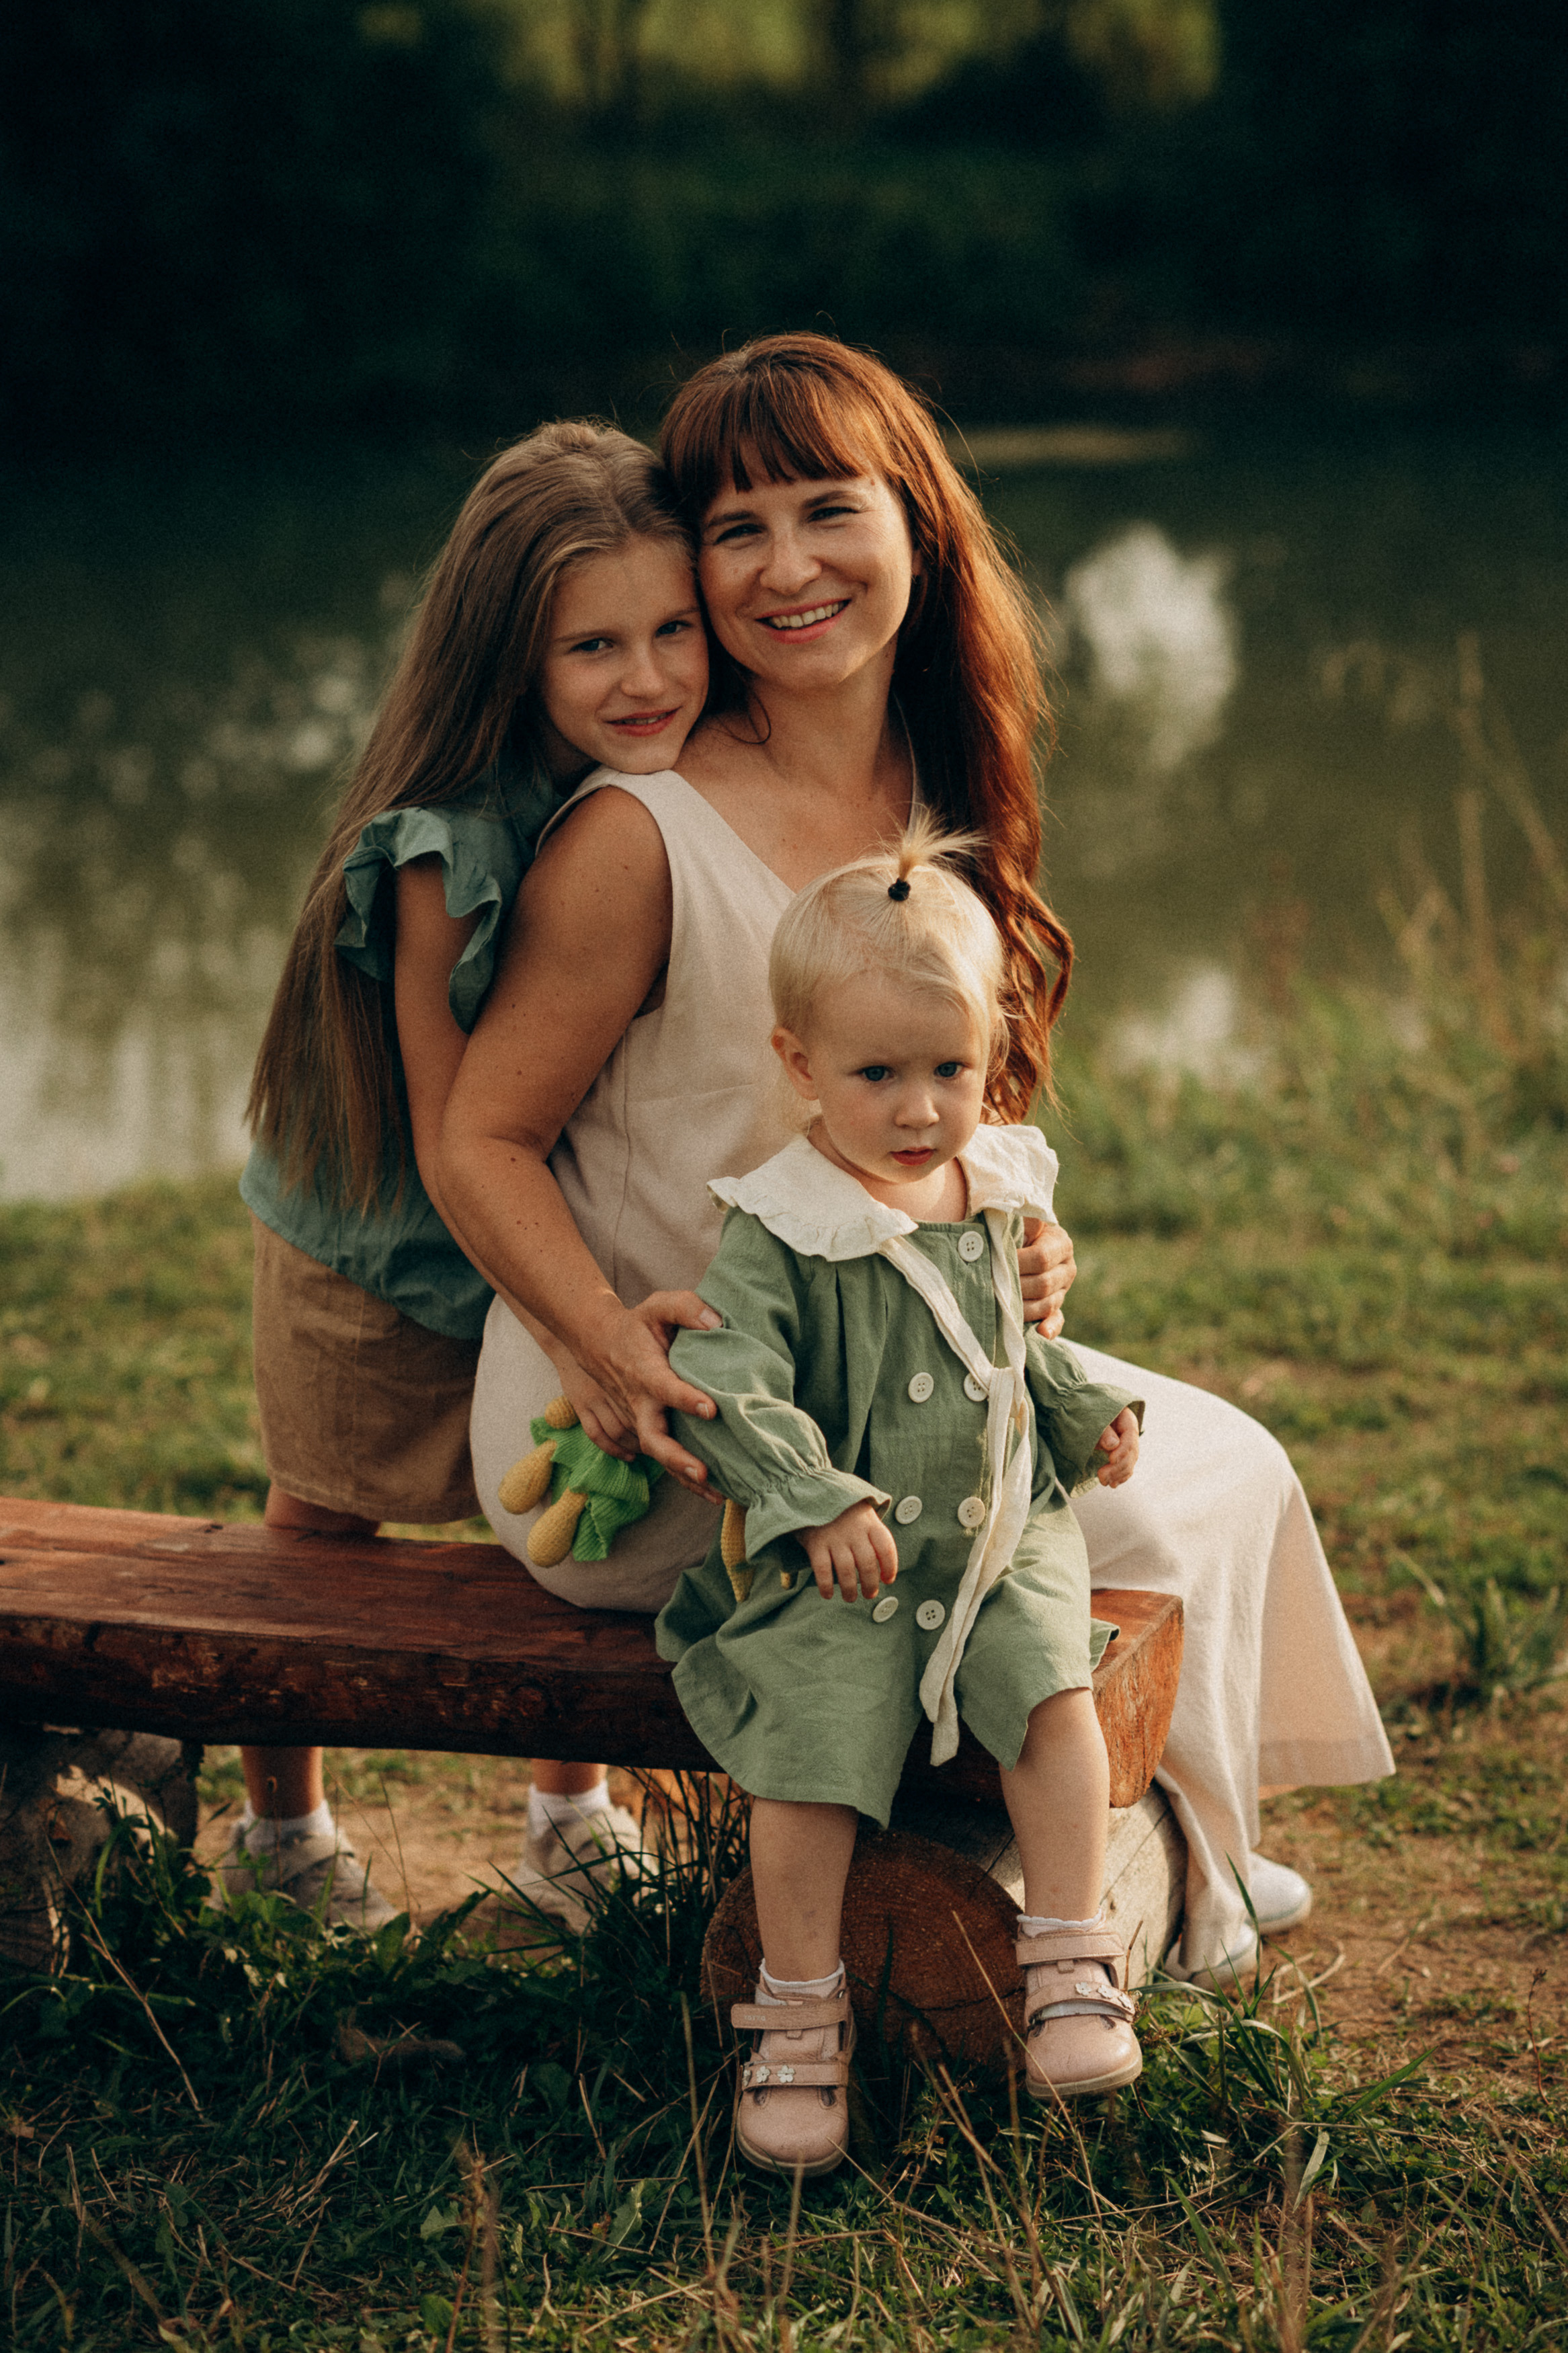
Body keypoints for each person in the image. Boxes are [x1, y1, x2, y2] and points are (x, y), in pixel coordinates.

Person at [443, 331, 1393, 1987]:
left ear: (918, 526)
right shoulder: (640, 832)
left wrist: (1016, 1236)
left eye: (829, 508)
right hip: (676, 1425)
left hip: (898, 1354)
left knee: (1221, 1455)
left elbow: (944, 1106)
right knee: (1131, 1529)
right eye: (736, 528)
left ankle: (1186, 1850)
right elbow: (480, 1135)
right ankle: (1149, 1901)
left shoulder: (934, 787)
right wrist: (609, 1349)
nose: (787, 566)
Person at [230, 421, 712, 1929]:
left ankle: (571, 1819)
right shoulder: (447, 850)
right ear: (511, 656)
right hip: (383, 1248)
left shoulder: (658, 794)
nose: (647, 679)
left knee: (567, 1519)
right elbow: (456, 1140)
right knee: (324, 1514)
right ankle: (283, 1836)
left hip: (551, 1225)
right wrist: (576, 1319)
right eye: (595, 646)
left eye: (673, 630)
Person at [655, 824, 1146, 2175]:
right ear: (799, 1062)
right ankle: (798, 2009)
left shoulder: (993, 1190)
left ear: (991, 1053)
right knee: (810, 1753)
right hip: (850, 1561)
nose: (922, 1108)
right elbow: (726, 1375)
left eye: (951, 1070)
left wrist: (1085, 1411)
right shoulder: (781, 1224)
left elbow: (1014, 1349)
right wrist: (809, 1501)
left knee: (1055, 1694)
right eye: (879, 1074)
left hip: (997, 1536)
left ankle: (1068, 1952)